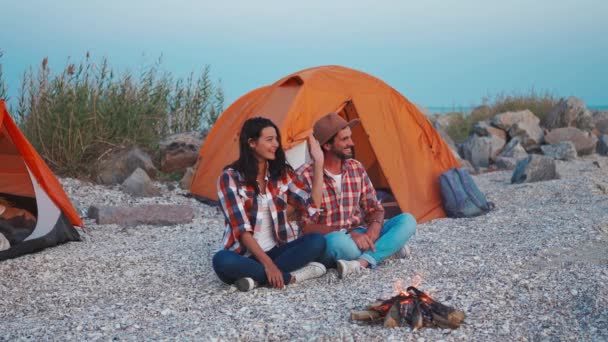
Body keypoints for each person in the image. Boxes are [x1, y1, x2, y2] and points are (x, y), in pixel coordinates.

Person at [212, 117, 327, 292]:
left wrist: (318, 163)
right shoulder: (229, 178)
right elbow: (241, 230)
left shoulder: (281, 174)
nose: (276, 144)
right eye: (269, 140)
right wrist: (268, 265)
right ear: (251, 143)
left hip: (276, 250)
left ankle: (256, 279)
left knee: (317, 241)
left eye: (276, 139)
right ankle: (291, 277)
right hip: (245, 255)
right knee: (221, 260)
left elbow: (311, 205)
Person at [297, 112, 417, 278]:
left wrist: (373, 230)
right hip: (333, 239)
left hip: (361, 233)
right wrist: (349, 234)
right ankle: (387, 250)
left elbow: (375, 208)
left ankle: (361, 262)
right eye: (345, 139)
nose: (351, 143)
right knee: (339, 243)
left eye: (350, 138)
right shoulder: (304, 175)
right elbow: (305, 226)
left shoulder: (356, 168)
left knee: (408, 221)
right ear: (327, 145)